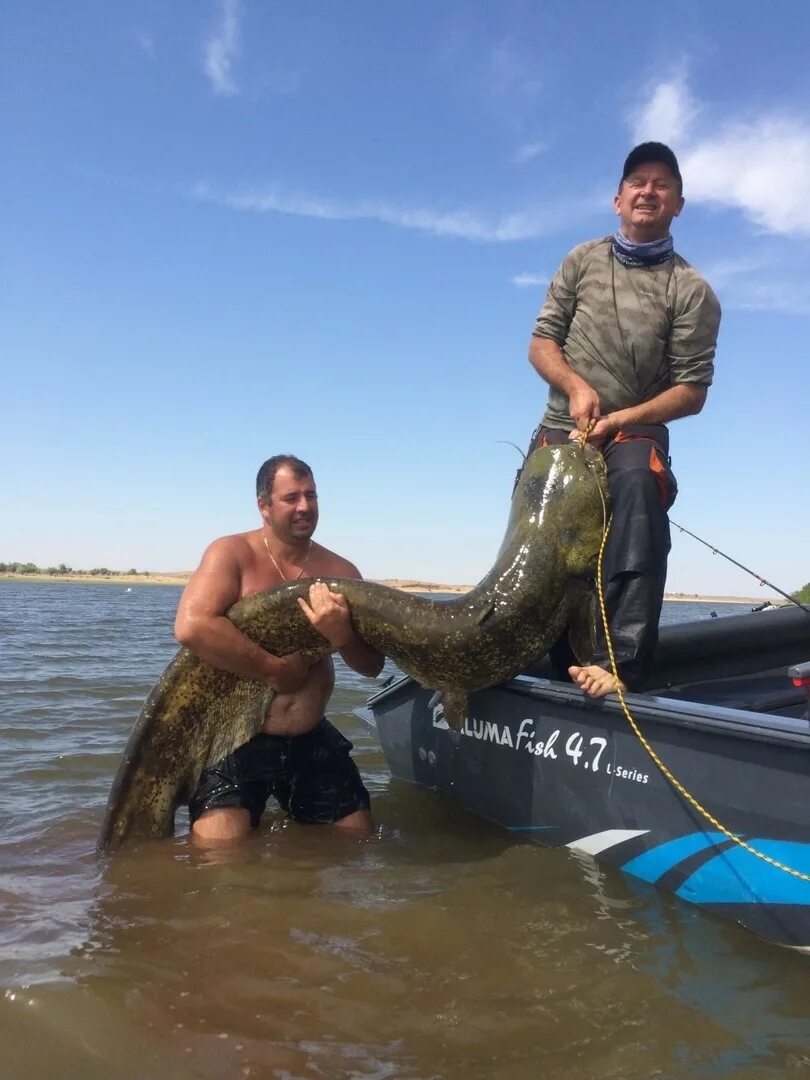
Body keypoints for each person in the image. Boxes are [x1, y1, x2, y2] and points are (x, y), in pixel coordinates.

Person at [526, 142, 721, 698]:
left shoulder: (691, 289)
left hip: (634, 431)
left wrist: (621, 417)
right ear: (618, 199)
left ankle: (622, 666)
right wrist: (576, 387)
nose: (648, 190)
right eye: (638, 180)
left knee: (636, 490)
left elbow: (692, 391)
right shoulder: (581, 260)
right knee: (538, 521)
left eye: (662, 183)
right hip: (563, 425)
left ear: (678, 204)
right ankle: (535, 651)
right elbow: (542, 345)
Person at [174, 454, 384, 842]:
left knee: (358, 841)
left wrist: (342, 635)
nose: (305, 507)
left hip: (310, 734)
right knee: (217, 852)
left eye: (311, 495)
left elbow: (371, 666)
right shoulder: (232, 553)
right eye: (291, 498)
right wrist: (271, 669)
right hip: (237, 737)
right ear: (264, 506)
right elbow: (192, 626)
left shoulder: (342, 572)